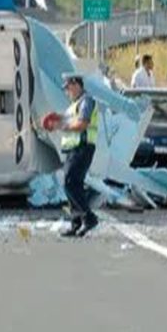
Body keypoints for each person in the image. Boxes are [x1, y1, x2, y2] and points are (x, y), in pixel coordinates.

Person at [45, 73, 99, 237]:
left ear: (76, 84)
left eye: (68, 88)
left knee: (70, 183)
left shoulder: (86, 101)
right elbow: (69, 118)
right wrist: (57, 118)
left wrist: (60, 126)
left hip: (82, 147)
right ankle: (77, 222)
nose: (67, 92)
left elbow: (82, 123)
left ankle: (88, 218)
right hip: (73, 149)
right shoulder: (75, 104)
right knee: (71, 184)